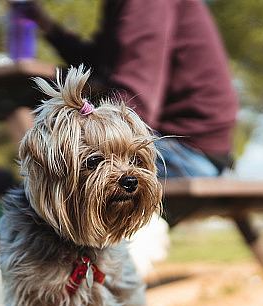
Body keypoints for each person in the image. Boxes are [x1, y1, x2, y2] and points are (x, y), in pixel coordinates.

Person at [26, 0, 238, 178]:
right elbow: (96, 63)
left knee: (59, 155)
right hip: (194, 149)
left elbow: (137, 99)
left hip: (189, 154)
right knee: (54, 150)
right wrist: (47, 26)